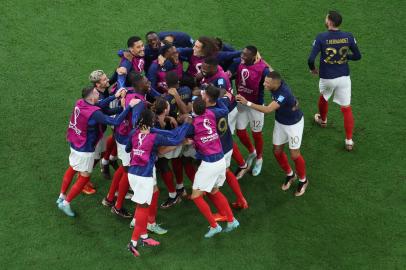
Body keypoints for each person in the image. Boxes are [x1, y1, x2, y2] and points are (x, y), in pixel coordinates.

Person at [56, 87, 138, 217]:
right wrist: (128, 106)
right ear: (91, 97)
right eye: (96, 93)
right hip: (85, 148)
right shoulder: (95, 114)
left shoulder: (81, 102)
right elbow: (115, 121)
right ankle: (66, 203)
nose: (98, 94)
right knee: (84, 177)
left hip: (75, 142)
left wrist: (114, 97)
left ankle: (61, 196)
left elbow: (99, 104)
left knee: (72, 167)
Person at [126, 109, 192, 257]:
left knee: (142, 204)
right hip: (144, 176)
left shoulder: (134, 132)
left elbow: (127, 148)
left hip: (133, 173)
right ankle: (133, 242)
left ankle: (144, 236)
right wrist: (187, 125)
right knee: (143, 208)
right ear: (151, 122)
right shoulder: (154, 137)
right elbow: (175, 140)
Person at [236, 71, 309, 196]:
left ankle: (303, 180)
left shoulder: (283, 93)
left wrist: (246, 102)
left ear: (276, 83)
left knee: (295, 155)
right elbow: (270, 68)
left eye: (267, 83)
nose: (264, 84)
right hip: (280, 123)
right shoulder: (277, 81)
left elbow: (268, 110)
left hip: (294, 125)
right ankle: (290, 174)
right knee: (277, 151)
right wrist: (259, 57)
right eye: (265, 81)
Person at [308, 10, 361, 151]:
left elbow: (311, 59)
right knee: (346, 108)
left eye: (326, 18)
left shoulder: (321, 37)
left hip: (327, 77)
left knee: (324, 97)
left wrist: (313, 69)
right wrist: (344, 57)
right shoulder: (348, 36)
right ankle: (349, 140)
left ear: (330, 22)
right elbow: (357, 56)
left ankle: (323, 120)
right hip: (344, 77)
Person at [188, 96, 239, 238]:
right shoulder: (210, 114)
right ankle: (231, 220)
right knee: (214, 190)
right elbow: (223, 109)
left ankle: (214, 226)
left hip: (209, 164)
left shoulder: (193, 124)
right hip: (221, 160)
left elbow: (178, 135)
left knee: (196, 196)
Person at [200, 57, 249, 179]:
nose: (203, 71)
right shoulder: (212, 72)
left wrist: (206, 96)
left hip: (228, 111)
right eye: (203, 68)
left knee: (225, 137)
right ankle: (241, 163)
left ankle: (242, 164)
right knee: (224, 137)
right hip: (220, 109)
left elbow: (222, 93)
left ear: (214, 68)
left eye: (206, 69)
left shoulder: (221, 78)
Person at [202, 85, 248, 212]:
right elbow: (229, 94)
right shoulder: (222, 103)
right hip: (228, 145)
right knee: (227, 171)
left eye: (204, 94)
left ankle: (225, 214)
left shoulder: (207, 115)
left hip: (218, 152)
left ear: (207, 98)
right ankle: (241, 199)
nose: (202, 95)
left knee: (212, 187)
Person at [233, 45, 270, 176]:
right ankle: (252, 151)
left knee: (256, 134)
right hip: (242, 105)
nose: (242, 56)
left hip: (256, 107)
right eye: (242, 53)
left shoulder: (263, 70)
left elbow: (275, 79)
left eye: (245, 55)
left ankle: (259, 158)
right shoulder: (239, 63)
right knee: (240, 132)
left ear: (253, 57)